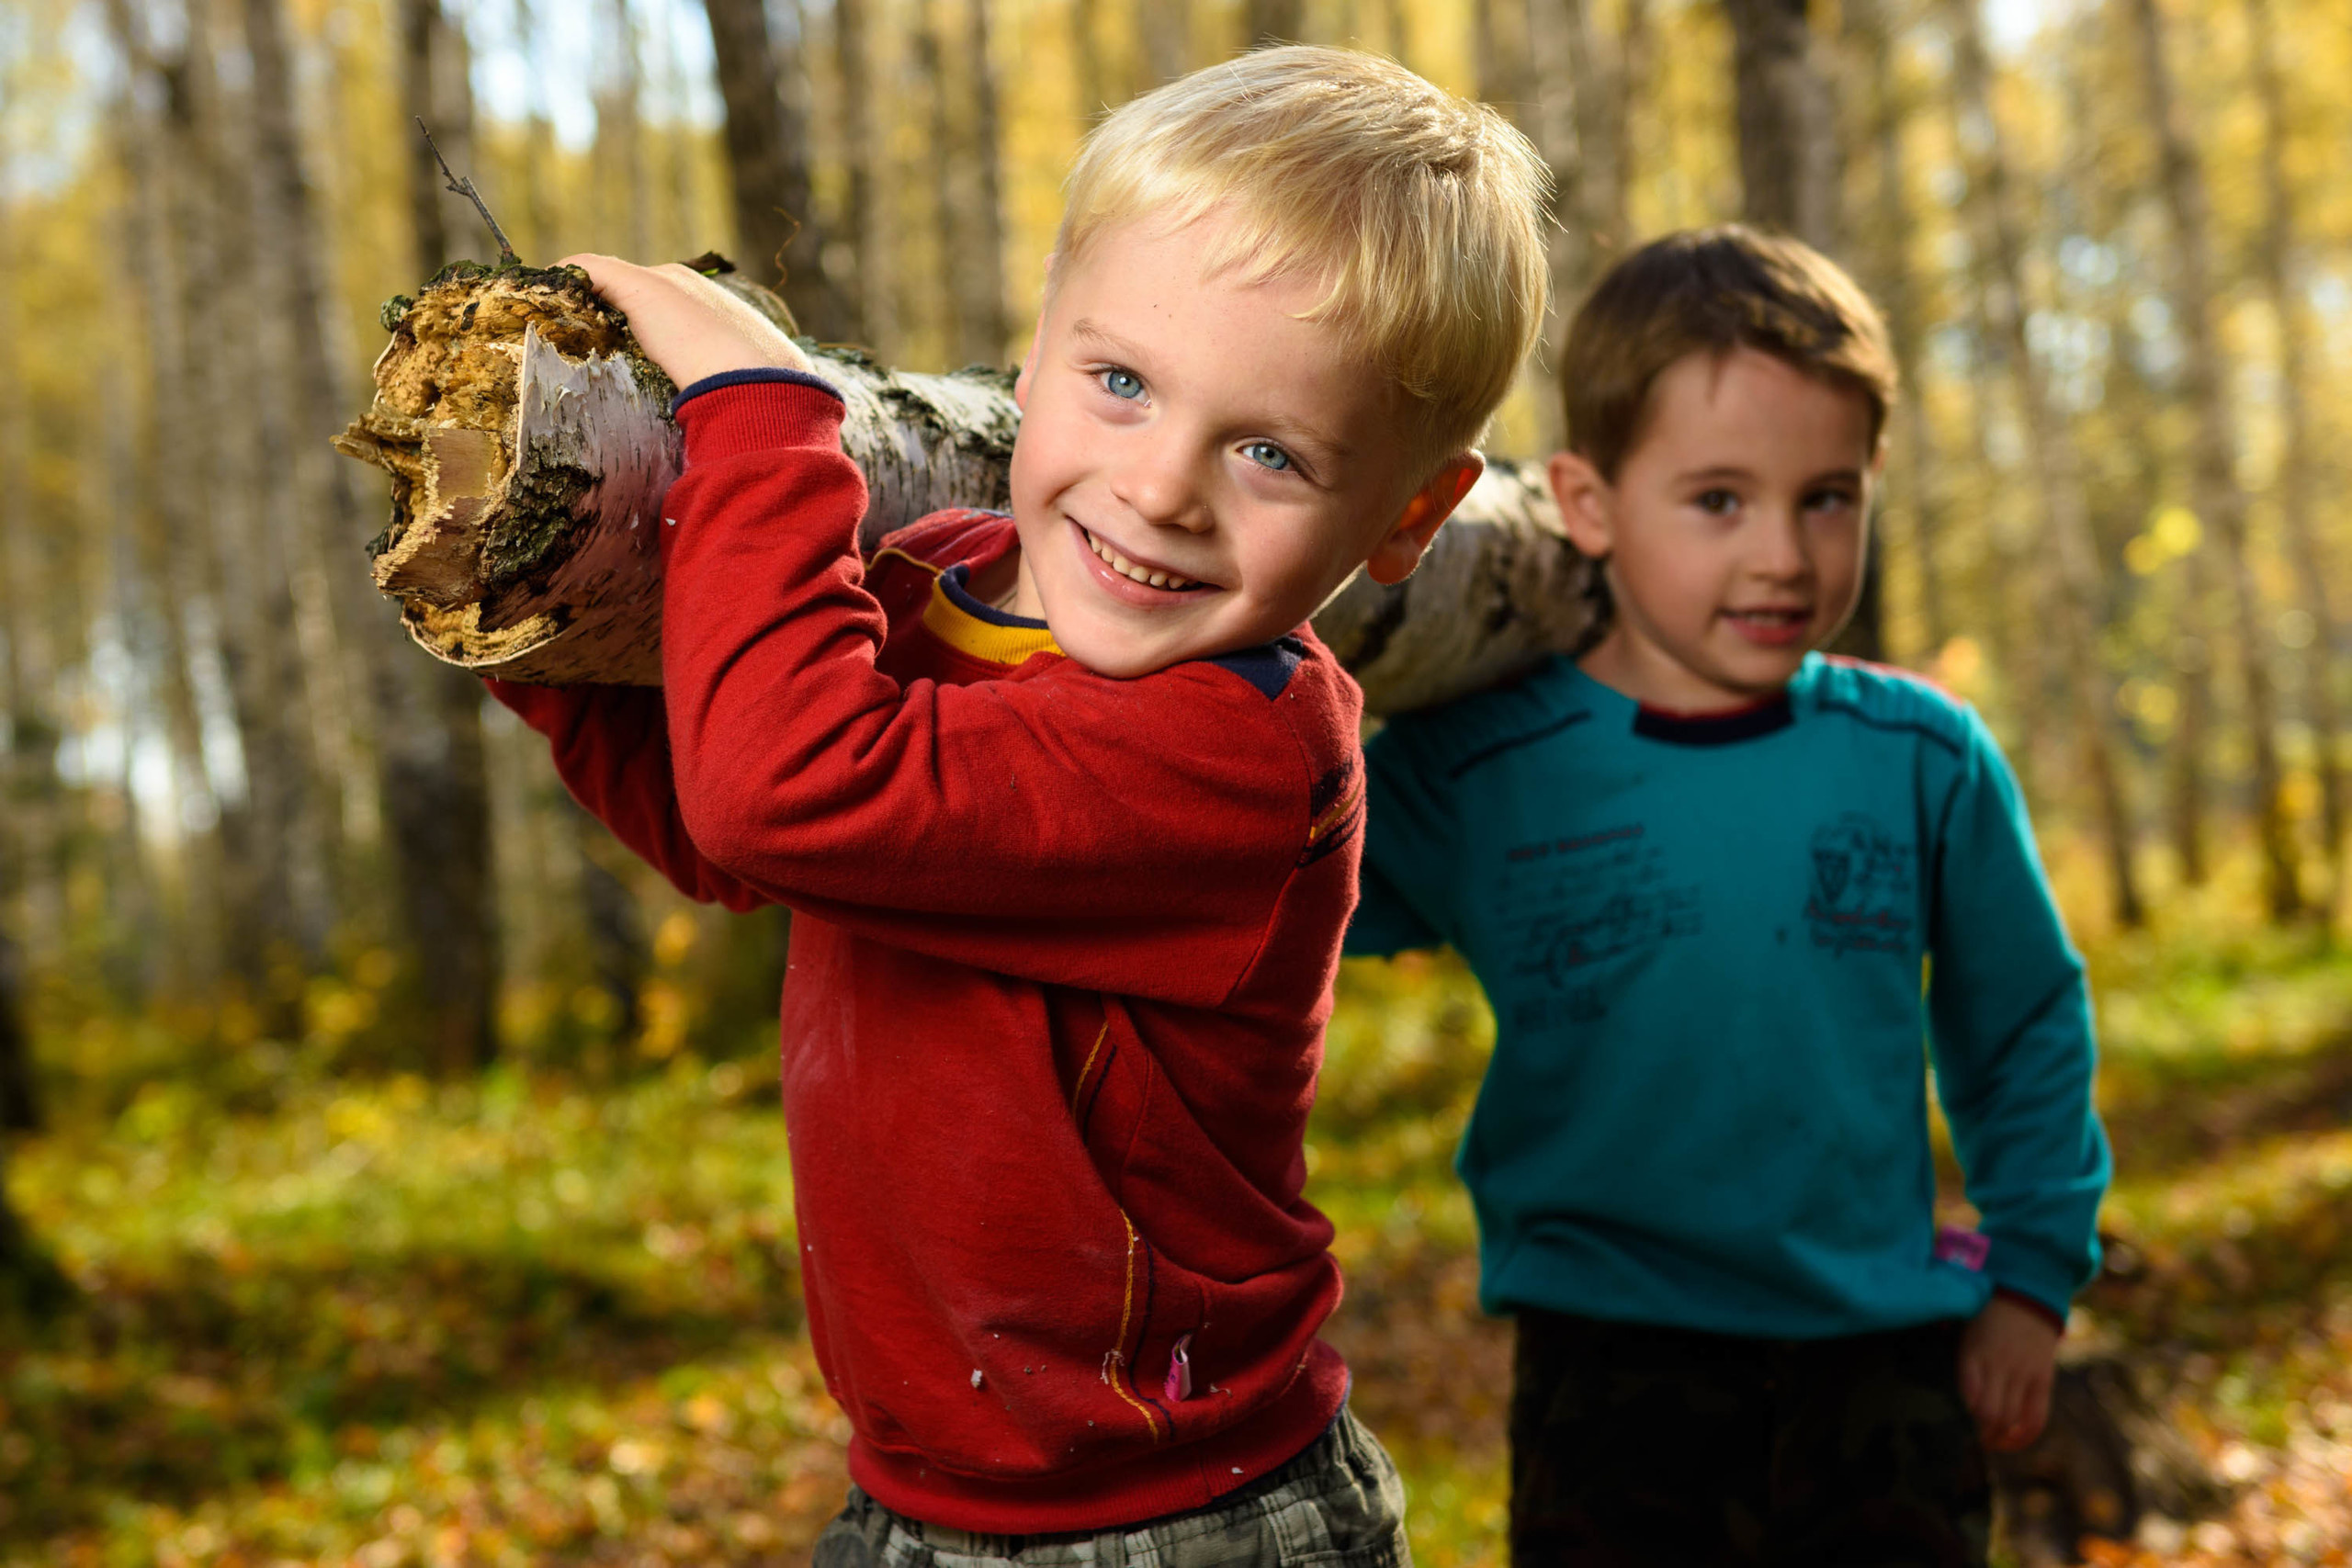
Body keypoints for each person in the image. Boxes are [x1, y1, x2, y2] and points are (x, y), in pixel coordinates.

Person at [492, 46, 1549, 1567]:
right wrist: (552, 623)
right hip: (921, 1491)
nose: (1161, 489)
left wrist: (761, 418)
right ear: (1033, 349)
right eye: (1120, 383)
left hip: (1180, 1518)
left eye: (1267, 451)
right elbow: (739, 836)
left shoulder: (1240, 744)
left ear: (1407, 516)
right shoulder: (945, 579)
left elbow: (784, 797)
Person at [1345, 225, 2112, 1567]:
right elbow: (1269, 886)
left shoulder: (1923, 758)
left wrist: (2034, 1277)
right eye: (1719, 501)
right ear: (1589, 503)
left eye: (1827, 497)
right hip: (1611, 1373)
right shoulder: (1480, 766)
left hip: (1886, 1363)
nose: (1784, 556)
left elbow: (2023, 1023)